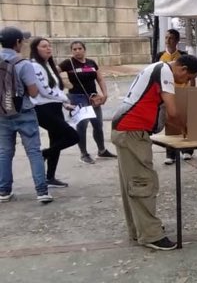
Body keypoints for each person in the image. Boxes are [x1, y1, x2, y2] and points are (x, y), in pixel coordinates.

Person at [111, 54, 197, 251]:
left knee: (132, 182)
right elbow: (172, 111)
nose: (185, 82)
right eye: (188, 78)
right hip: (132, 130)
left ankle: (139, 229)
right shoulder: (165, 72)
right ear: (183, 69)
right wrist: (187, 129)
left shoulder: (157, 69)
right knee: (143, 182)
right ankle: (151, 235)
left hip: (126, 128)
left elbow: (163, 112)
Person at [0, 27, 53, 204]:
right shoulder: (24, 64)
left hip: (2, 113)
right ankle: (41, 191)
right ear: (17, 42)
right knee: (33, 152)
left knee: (4, 153)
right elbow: (32, 91)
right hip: (24, 112)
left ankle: (4, 191)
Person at [29, 37, 79, 189]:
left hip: (55, 107)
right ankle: (43, 154)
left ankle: (50, 177)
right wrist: (65, 98)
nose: (48, 48)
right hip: (43, 109)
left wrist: (64, 103)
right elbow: (44, 90)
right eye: (44, 46)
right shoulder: (34, 66)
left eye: (49, 46)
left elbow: (55, 89)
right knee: (72, 136)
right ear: (36, 49)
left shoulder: (48, 65)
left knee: (56, 140)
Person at [58, 41, 117, 164]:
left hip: (93, 97)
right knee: (82, 126)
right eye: (74, 49)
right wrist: (62, 85)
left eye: (80, 48)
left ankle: (102, 151)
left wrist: (104, 93)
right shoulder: (68, 63)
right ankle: (83, 154)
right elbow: (53, 73)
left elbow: (99, 78)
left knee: (98, 124)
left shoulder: (91, 63)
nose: (77, 51)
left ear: (84, 50)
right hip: (77, 97)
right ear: (71, 51)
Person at [154, 29, 194, 164]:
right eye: (166, 38)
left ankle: (187, 150)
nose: (168, 40)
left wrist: (192, 91)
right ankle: (170, 153)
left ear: (177, 41)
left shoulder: (183, 56)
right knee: (169, 121)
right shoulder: (160, 56)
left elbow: (191, 76)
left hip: (182, 92)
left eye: (171, 38)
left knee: (185, 120)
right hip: (166, 93)